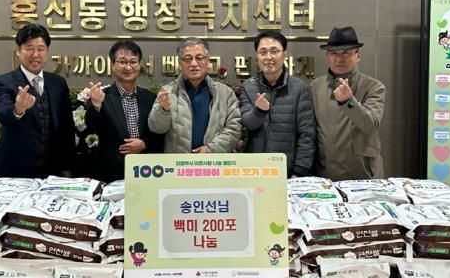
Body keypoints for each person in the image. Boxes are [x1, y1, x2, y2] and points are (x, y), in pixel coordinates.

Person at [0, 23, 76, 179]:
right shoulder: (3, 82)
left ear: (47, 51)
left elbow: (66, 129)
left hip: (51, 170)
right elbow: (3, 115)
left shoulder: (58, 83)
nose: (35, 54)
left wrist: (67, 167)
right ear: (18, 51)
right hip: (14, 169)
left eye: (41, 49)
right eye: (29, 48)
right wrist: (18, 109)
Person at [309, 26, 385, 180]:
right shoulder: (315, 87)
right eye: (333, 53)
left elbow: (370, 124)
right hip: (325, 174)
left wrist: (348, 101)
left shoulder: (373, 87)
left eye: (346, 53)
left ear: (358, 55)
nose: (339, 58)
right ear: (327, 56)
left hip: (363, 174)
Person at [84, 40, 164, 182]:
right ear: (113, 65)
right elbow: (91, 128)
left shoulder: (150, 98)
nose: (128, 67)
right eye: (122, 62)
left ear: (139, 65)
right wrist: (96, 104)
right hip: (111, 172)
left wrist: (144, 144)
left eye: (133, 62)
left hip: (145, 170)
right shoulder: (102, 96)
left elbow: (159, 133)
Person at [239, 31, 315, 177]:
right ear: (257, 56)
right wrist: (259, 111)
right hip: (255, 169)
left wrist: (300, 170)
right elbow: (248, 124)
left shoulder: (299, 88)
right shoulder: (248, 86)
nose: (268, 57)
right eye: (263, 52)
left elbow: (307, 133)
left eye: (274, 51)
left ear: (284, 54)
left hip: (287, 170)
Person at [148, 37, 241, 153]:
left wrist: (211, 149)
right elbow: (156, 128)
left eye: (199, 58)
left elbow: (234, 128)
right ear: (180, 63)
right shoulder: (168, 91)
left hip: (214, 160)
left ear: (207, 61)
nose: (193, 64)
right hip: (179, 162)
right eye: (187, 59)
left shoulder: (225, 93)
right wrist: (163, 110)